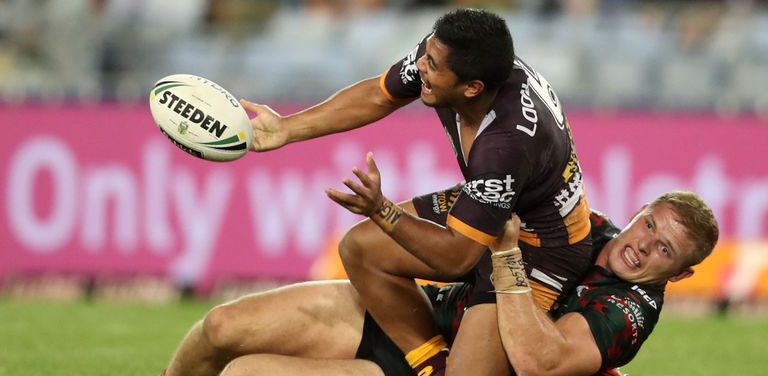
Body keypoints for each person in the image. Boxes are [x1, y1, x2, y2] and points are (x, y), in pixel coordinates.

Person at [232, 8, 593, 375]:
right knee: (361, 248)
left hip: (541, 247)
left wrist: (382, 210)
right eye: (427, 53)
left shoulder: (506, 142)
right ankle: (432, 366)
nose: (420, 64)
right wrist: (287, 129)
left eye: (433, 64)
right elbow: (379, 95)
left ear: (472, 88)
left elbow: (456, 257)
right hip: (501, 207)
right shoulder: (457, 58)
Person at [162, 190, 719, 376]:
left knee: (246, 374)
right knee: (223, 325)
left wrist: (507, 262)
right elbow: (476, 213)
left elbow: (538, 361)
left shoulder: (629, 309)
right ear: (641, 209)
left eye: (663, 248)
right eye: (648, 223)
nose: (642, 243)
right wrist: (388, 210)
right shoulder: (585, 227)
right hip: (423, 321)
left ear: (682, 271)